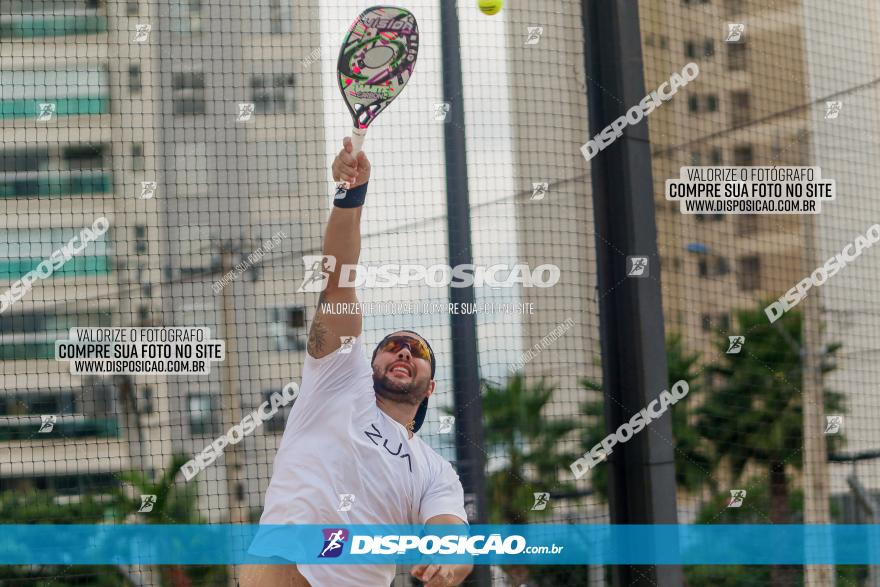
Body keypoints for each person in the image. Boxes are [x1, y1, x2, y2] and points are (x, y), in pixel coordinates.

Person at [240, 138, 473, 587]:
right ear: (369, 363)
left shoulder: (432, 470)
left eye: (418, 351)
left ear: (430, 388)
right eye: (392, 345)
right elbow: (338, 276)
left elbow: (452, 535)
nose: (404, 351)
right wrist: (352, 193)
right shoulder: (338, 381)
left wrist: (449, 563)